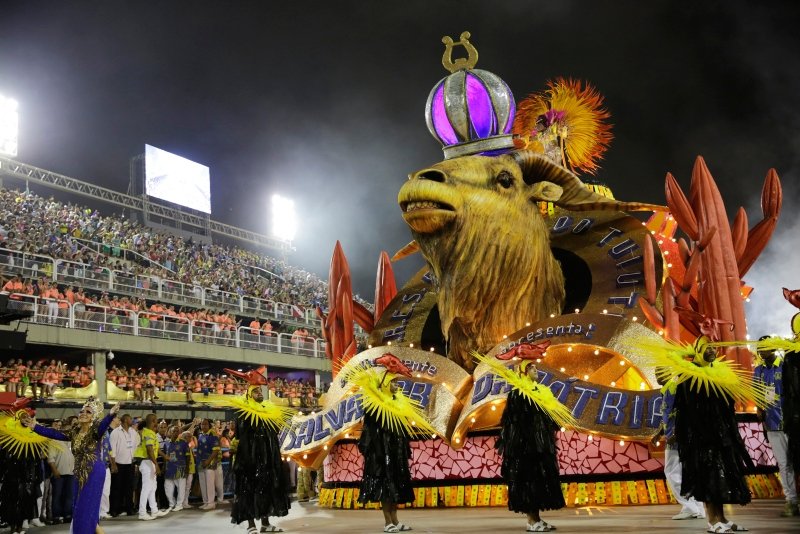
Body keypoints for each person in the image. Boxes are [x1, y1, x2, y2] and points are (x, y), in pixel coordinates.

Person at [637, 328, 767, 534]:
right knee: (707, 478)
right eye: (706, 348)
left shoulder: (720, 374)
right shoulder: (687, 377)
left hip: (720, 435)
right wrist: (676, 433)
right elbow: (682, 410)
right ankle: (712, 521)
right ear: (697, 352)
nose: (712, 350)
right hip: (700, 437)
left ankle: (723, 519)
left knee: (722, 477)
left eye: (713, 348)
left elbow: (726, 406)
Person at [477, 342, 573, 532]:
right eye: (532, 368)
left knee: (539, 481)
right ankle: (531, 521)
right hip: (526, 448)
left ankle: (537, 519)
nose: (536, 370)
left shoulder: (540, 392)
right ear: (523, 372)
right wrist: (523, 444)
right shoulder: (518, 395)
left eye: (535, 367)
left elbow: (548, 418)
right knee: (529, 481)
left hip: (540, 447)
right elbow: (514, 423)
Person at [348, 354, 435, 533]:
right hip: (381, 456)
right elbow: (369, 435)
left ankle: (395, 520)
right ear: (384, 384)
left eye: (397, 382)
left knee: (395, 487)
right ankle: (387, 522)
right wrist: (378, 452)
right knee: (385, 488)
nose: (397, 385)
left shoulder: (398, 406)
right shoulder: (374, 408)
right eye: (393, 382)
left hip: (395, 454)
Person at [25, 398, 121, 534]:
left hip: (94, 472)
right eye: (82, 411)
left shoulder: (95, 431)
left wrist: (110, 414)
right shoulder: (74, 432)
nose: (83, 413)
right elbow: (55, 433)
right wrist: (35, 427)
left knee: (87, 509)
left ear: (93, 417)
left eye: (88, 412)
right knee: (79, 508)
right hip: (78, 472)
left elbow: (103, 425)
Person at [220, 366, 293, 533]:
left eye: (260, 391)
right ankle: (251, 525)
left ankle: (265, 524)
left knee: (265, 491)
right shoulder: (244, 412)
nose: (259, 393)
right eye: (256, 391)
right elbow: (241, 434)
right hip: (249, 461)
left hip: (266, 461)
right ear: (249, 394)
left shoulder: (268, 411)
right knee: (248, 491)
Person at [753, 336, 798, 516]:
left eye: (765, 348)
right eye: (760, 348)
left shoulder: (786, 365)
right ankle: (791, 501)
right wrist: (758, 407)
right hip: (772, 424)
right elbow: (756, 392)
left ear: (773, 348)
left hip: (792, 423)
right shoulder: (758, 371)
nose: (762, 351)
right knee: (783, 464)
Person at [657, 369, 705, 521]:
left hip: (677, 438)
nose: (658, 376)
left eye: (661, 372)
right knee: (687, 472)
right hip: (678, 436)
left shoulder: (673, 389)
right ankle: (696, 508)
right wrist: (659, 433)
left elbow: (682, 413)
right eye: (657, 372)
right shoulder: (667, 390)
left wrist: (676, 434)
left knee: (671, 472)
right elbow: (667, 414)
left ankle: (691, 507)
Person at [0, 400, 48, 534]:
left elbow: (37, 459)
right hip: (11, 476)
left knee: (25, 503)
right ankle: (13, 527)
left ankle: (20, 527)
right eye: (23, 416)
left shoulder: (33, 436)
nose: (25, 418)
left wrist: (36, 475)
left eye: (27, 416)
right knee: (11, 503)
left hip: (28, 476)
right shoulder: (8, 433)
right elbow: (3, 456)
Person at [135, 413, 168, 520]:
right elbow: (149, 450)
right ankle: (142, 513)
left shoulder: (151, 433)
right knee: (146, 488)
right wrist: (156, 465)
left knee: (153, 487)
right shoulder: (148, 433)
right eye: (156, 420)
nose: (157, 422)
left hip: (149, 462)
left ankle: (154, 510)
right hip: (147, 462)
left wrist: (165, 456)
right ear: (153, 421)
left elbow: (156, 449)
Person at [109, 413, 140, 517]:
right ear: (126, 420)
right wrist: (113, 465)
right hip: (118, 464)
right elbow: (112, 450)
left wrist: (135, 462)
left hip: (130, 464)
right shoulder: (115, 432)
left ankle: (129, 509)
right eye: (131, 419)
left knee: (129, 488)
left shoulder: (133, 432)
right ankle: (114, 510)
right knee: (116, 488)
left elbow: (136, 445)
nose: (132, 421)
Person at [196, 418, 221, 510]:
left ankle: (211, 503)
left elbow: (215, 451)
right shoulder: (200, 435)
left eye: (205, 424)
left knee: (210, 483)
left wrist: (208, 461)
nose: (203, 426)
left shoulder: (213, 434)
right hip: (200, 462)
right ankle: (205, 502)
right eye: (202, 424)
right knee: (203, 483)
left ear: (209, 425)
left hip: (209, 463)